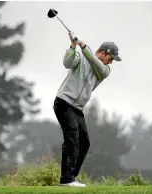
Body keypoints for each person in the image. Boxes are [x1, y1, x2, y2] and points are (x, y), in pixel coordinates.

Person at [53, 31, 122, 187]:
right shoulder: (82, 57)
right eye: (111, 59)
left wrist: (83, 45)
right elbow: (67, 62)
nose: (111, 63)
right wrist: (73, 46)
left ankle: (72, 177)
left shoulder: (104, 70)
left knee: (84, 142)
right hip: (64, 102)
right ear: (104, 53)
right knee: (72, 138)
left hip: (77, 108)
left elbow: (93, 60)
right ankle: (66, 179)